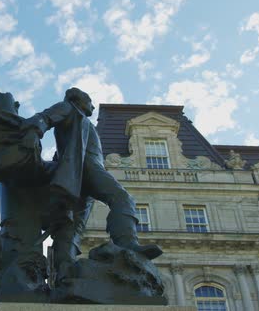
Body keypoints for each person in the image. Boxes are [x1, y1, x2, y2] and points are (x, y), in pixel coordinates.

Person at [20, 88, 162, 273]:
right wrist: (33, 131)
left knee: (71, 227)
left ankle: (64, 269)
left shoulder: (83, 121)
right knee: (121, 198)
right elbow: (44, 117)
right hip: (86, 168)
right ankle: (128, 244)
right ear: (77, 100)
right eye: (89, 100)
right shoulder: (67, 108)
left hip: (82, 174)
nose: (93, 105)